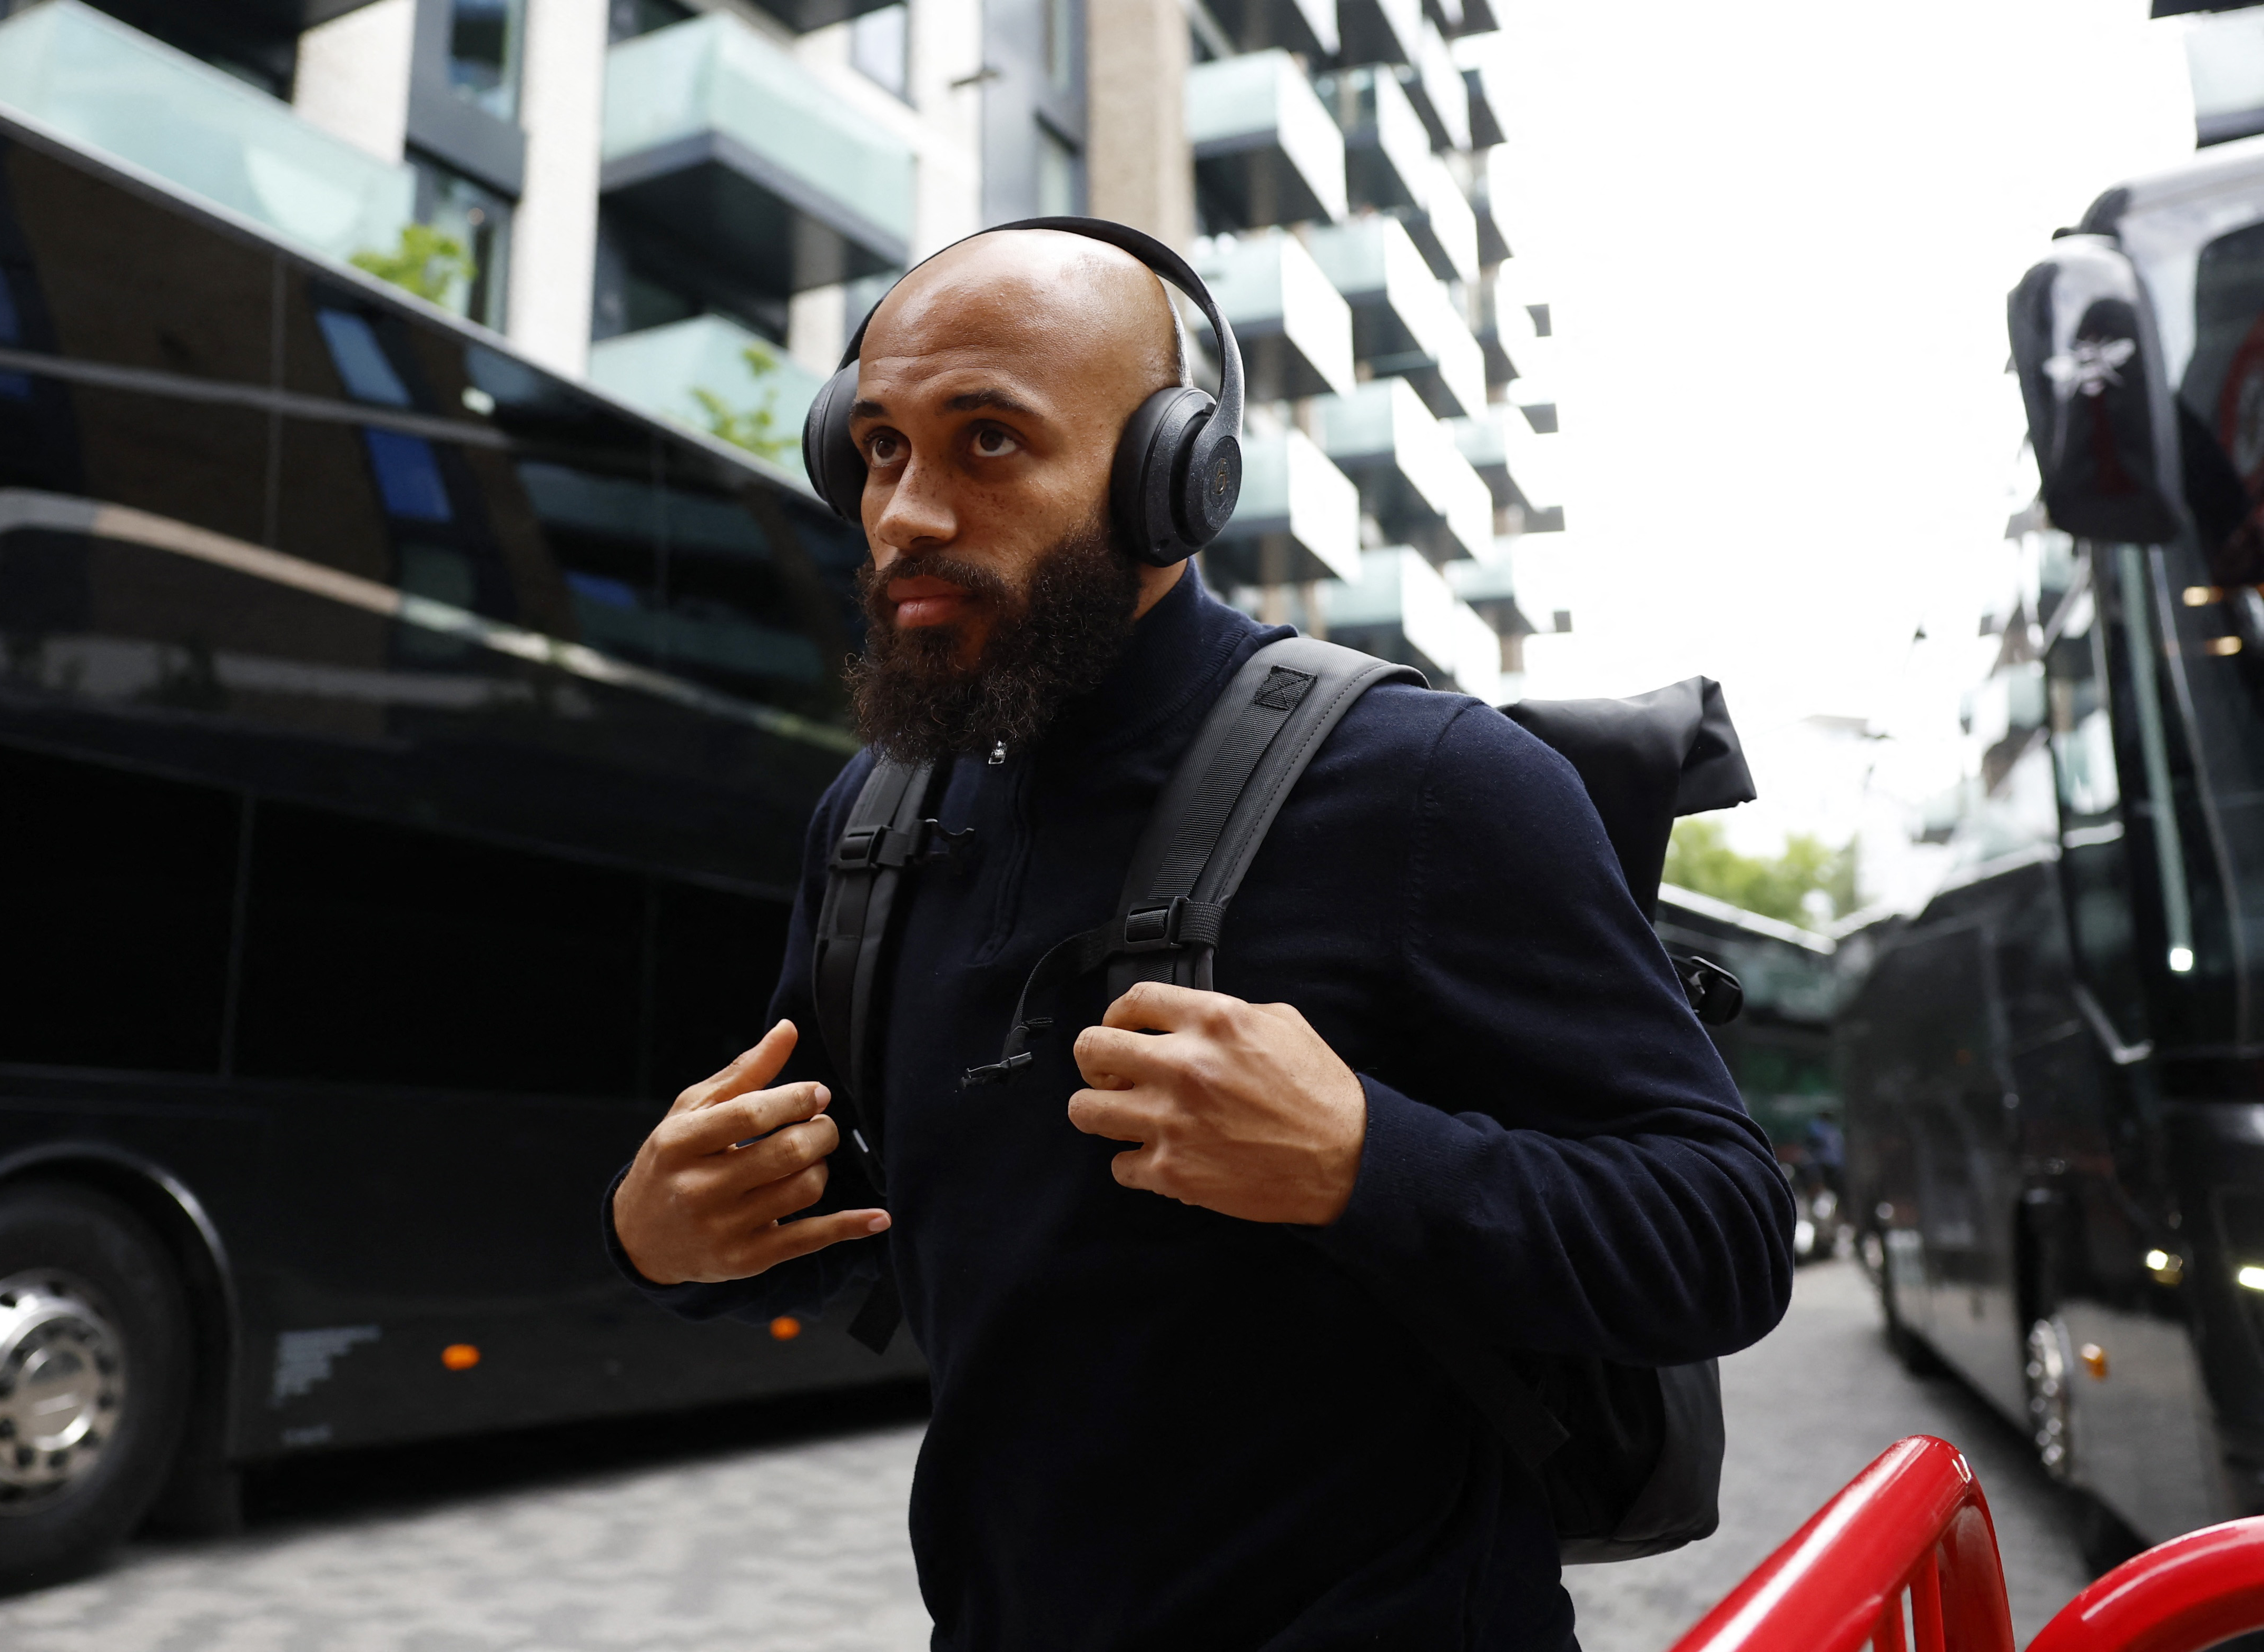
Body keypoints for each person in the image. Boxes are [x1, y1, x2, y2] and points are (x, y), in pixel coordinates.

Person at [605, 225, 1793, 1650]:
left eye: (989, 441)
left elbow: (1727, 1235)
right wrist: (666, 1242)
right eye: (878, 448)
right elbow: (856, 1224)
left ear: (1172, 477)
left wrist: (1364, 1159)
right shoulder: (870, 825)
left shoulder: (1430, 781)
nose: (906, 513)